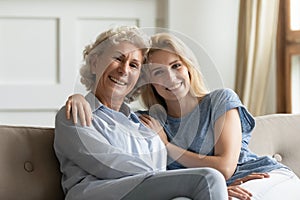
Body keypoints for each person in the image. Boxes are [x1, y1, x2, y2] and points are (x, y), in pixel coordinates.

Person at [66, 31, 300, 200]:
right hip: (211, 190)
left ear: (188, 67)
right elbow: (109, 117)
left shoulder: (220, 100)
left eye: (176, 66)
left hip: (261, 177)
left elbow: (225, 168)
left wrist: (168, 146)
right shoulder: (147, 121)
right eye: (158, 72)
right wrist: (78, 98)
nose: (170, 78)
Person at [54, 26, 229, 200]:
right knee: (208, 177)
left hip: (142, 192)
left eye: (134, 65)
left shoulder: (144, 125)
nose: (124, 70)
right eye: (117, 58)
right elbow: (109, 165)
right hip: (97, 193)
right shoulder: (74, 113)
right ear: (94, 63)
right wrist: (189, 183)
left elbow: (160, 178)